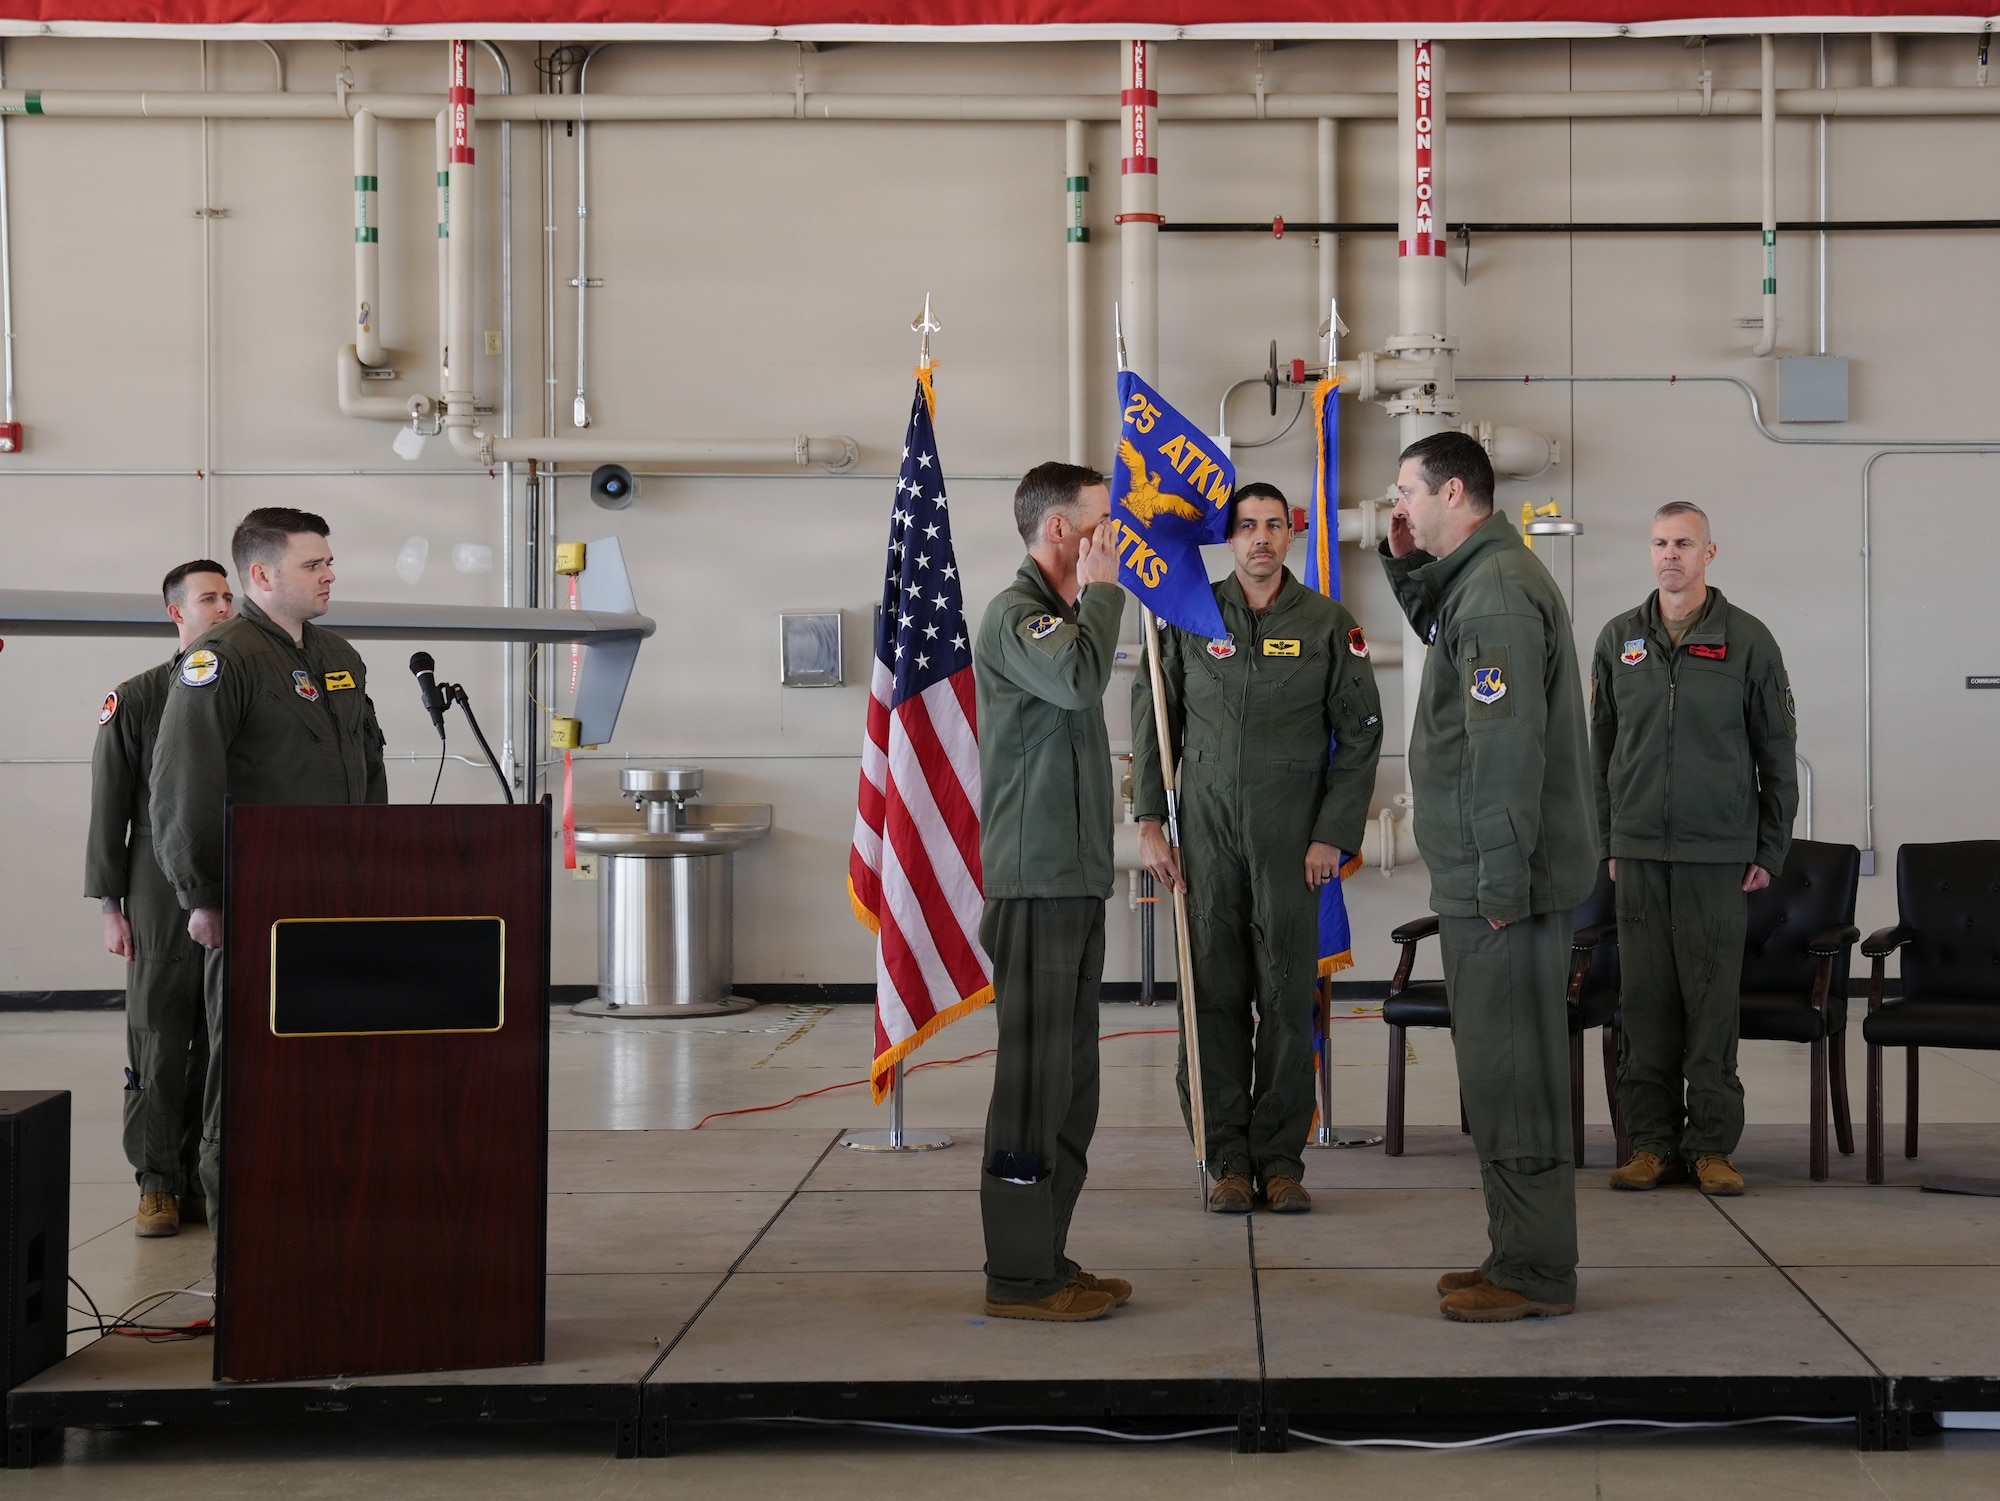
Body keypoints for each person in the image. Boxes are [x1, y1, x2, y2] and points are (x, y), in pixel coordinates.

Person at [1379, 432, 1597, 1323]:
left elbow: (1506, 754)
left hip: (1501, 886)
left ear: (1455, 491)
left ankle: (1537, 1270)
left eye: (1406, 491)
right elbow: (1441, 618)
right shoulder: (1479, 578)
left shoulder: (1499, 593)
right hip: (1485, 880)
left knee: (1515, 1073)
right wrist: (1402, 564)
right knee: (1499, 1070)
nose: (1397, 504)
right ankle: (1516, 1251)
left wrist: (1502, 884)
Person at [1130, 482, 1383, 1214]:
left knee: (1283, 995)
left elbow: (1362, 730)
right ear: (1229, 537)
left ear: (1291, 533)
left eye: (1273, 525)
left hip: (1291, 841)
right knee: (1210, 993)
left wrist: (1333, 833)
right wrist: (1151, 817)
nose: (1261, 538)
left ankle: (1280, 1161)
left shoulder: (1329, 623)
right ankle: (1226, 1161)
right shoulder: (1187, 614)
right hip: (1203, 837)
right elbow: (1155, 716)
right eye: (1247, 526)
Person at [150, 508, 387, 1238]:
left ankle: (322, 1204)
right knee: (247, 1065)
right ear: (261, 575)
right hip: (258, 900)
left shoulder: (338, 652)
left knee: (331, 1059)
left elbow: (368, 765)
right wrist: (204, 894)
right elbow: (183, 785)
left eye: (328, 561)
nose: (329, 573)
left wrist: (379, 864)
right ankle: (241, 1232)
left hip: (339, 896)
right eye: (313, 564)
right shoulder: (220, 659)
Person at [1591, 501, 1798, 1198]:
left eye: (1684, 542)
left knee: (1712, 1004)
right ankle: (1652, 1145)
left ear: (1711, 552)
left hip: (1719, 854)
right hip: (1641, 851)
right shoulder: (1620, 638)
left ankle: (1710, 1146)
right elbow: (1600, 748)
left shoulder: (1749, 640)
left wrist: (1768, 844)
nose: (1670, 554)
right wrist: (1609, 838)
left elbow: (1777, 752)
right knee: (1645, 1003)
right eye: (1659, 542)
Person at [973, 461, 1129, 1322]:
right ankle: (1018, 1275)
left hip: (1072, 883)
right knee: (1034, 1084)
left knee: (1073, 1085)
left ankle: (1047, 1254)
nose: (1115, 537)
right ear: (1062, 531)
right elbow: (1076, 680)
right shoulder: (1017, 616)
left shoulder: (1067, 619)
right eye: (1103, 523)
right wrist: (1105, 596)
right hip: (1033, 887)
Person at [84, 560, 235, 1237]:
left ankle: (210, 1176)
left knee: (223, 1034)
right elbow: (108, 809)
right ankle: (156, 1183)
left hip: (236, 874)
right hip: (154, 881)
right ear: (177, 612)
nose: (224, 606)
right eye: (209, 598)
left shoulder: (252, 693)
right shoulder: (139, 697)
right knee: (158, 1034)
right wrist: (111, 906)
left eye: (230, 594)